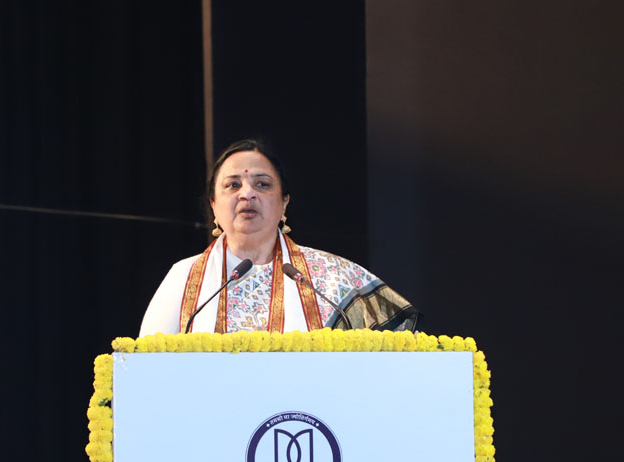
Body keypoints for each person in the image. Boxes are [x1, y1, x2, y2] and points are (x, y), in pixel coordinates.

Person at [139, 139, 418, 336]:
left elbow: (403, 344)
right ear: (213, 205)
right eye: (233, 185)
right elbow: (147, 372)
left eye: (262, 184)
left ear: (284, 203)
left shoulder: (330, 277)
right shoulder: (184, 278)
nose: (247, 193)